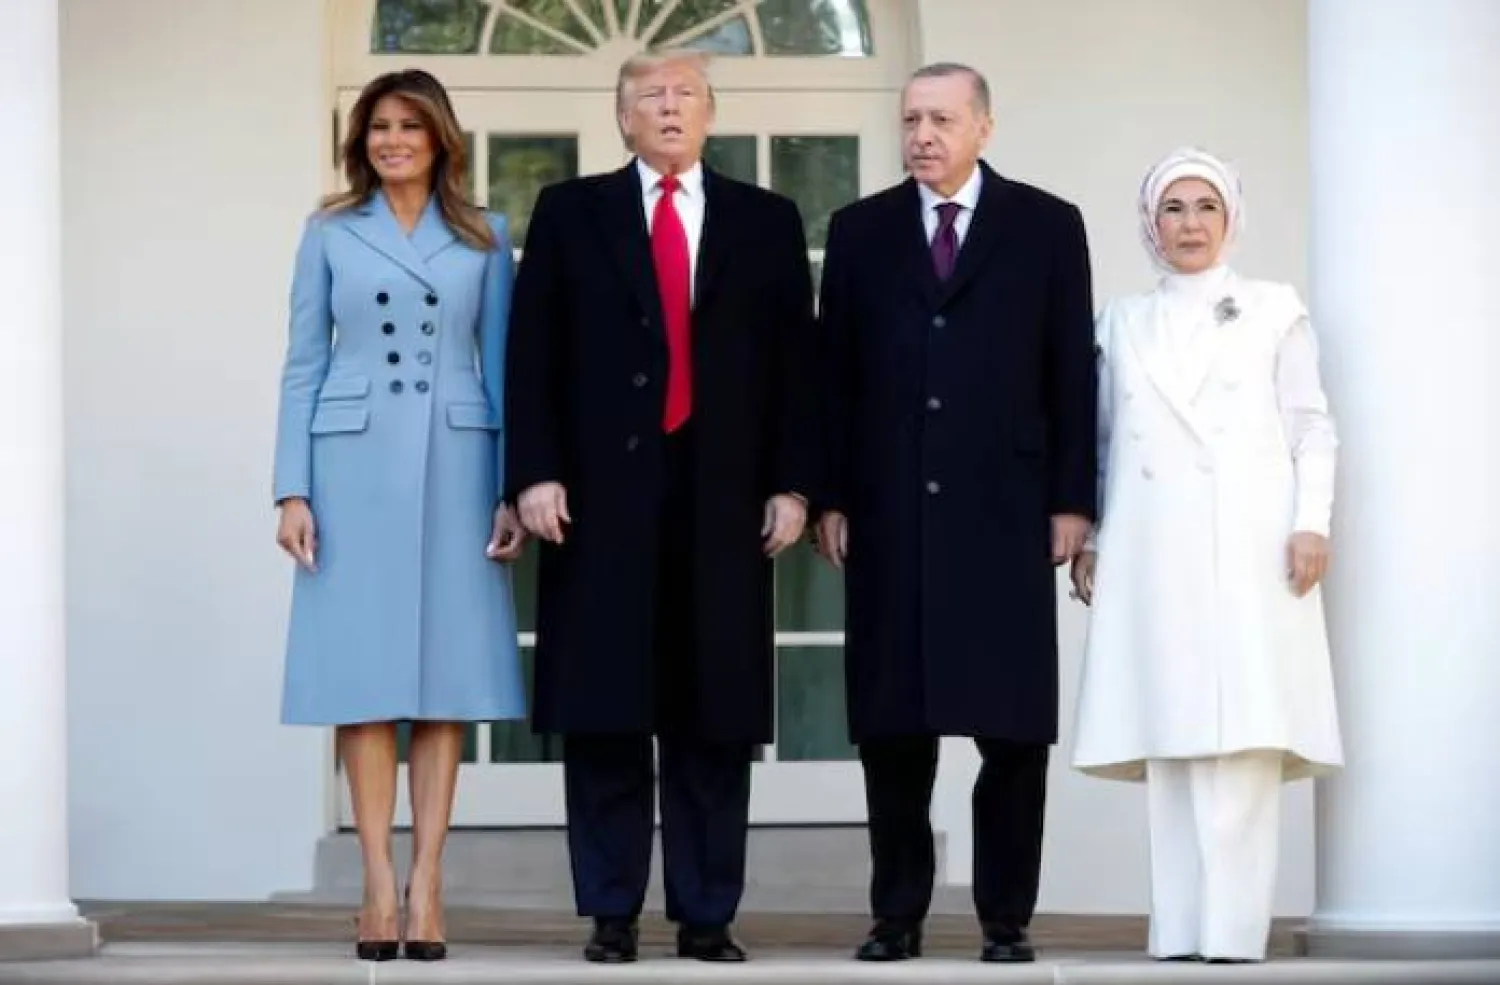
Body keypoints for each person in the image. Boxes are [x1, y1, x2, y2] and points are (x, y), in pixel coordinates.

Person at [504, 49, 817, 964]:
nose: (669, 107)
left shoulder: (766, 220)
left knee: (712, 713)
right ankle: (610, 910)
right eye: (650, 96)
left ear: (711, 113)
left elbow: (798, 367)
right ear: (622, 117)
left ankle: (707, 912)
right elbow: (533, 354)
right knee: (606, 710)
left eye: (685, 94)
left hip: (725, 500)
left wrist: (795, 483)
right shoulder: (571, 214)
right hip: (598, 499)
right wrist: (534, 473)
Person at [814, 62, 1096, 964]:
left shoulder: (1048, 226)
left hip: (1006, 513)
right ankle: (895, 914)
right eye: (910, 120)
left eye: (940, 119)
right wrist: (831, 494)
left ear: (984, 125)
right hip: (889, 512)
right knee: (893, 731)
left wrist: (1072, 501)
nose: (922, 135)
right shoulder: (859, 231)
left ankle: (1005, 918)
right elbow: (835, 380)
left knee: (1011, 731)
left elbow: (1069, 374)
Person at [271, 68, 527, 963]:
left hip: (458, 464)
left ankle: (429, 883)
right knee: (365, 676)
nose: (391, 141)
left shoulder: (487, 236)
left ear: (439, 139)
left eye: (409, 127)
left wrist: (509, 488)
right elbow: (302, 362)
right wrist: (291, 488)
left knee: (445, 678)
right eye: (377, 126)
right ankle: (378, 881)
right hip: (352, 465)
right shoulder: (330, 232)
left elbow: (502, 368)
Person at [1069, 146, 1343, 964]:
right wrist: (1091, 535)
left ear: (1231, 219)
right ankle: (1179, 930)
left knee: (1245, 737)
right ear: (1151, 223)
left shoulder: (1273, 308)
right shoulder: (1120, 320)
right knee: (1177, 737)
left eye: (1205, 207)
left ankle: (1232, 934)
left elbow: (1311, 425)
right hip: (1155, 547)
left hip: (1252, 544)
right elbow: (1101, 445)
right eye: (1174, 209)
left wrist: (1312, 521)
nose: (1190, 224)